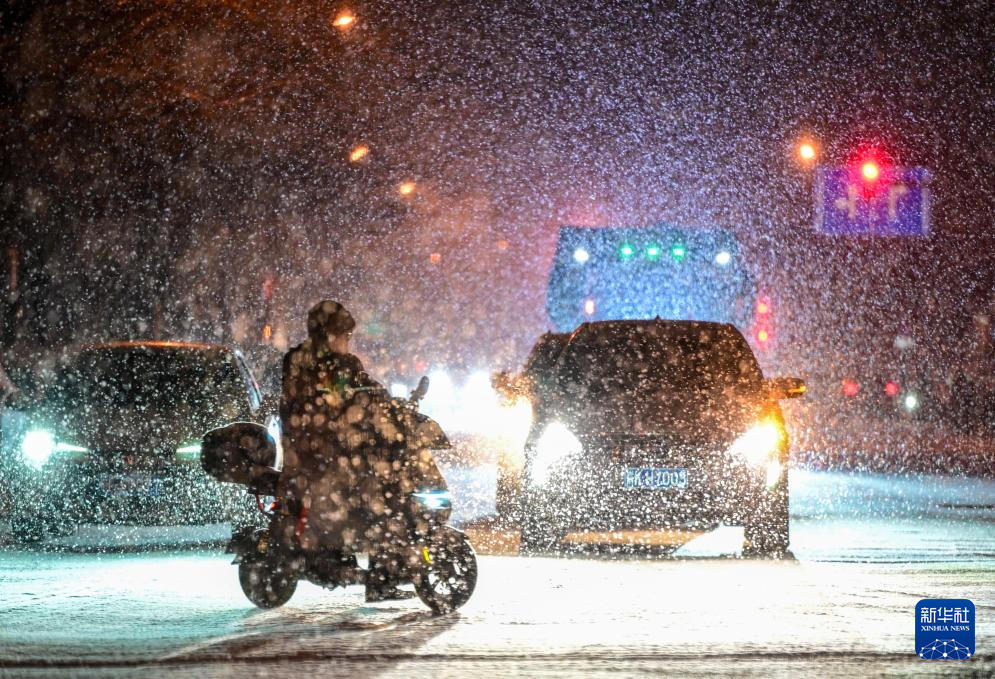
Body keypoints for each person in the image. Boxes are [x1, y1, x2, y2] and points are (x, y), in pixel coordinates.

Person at [278, 300, 413, 602]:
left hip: (342, 447)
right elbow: (303, 405)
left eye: (349, 336)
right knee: (375, 493)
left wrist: (394, 406)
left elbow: (370, 390)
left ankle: (378, 573)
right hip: (313, 452)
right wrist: (334, 414)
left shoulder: (348, 363)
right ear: (327, 334)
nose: (347, 341)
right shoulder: (299, 361)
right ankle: (376, 578)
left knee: (383, 480)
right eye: (344, 335)